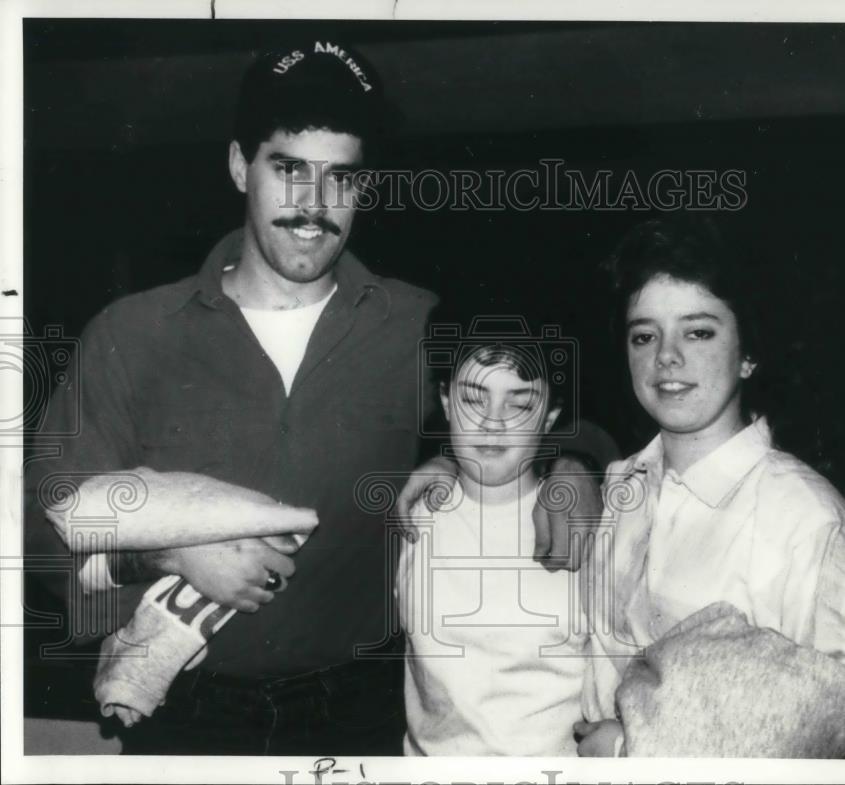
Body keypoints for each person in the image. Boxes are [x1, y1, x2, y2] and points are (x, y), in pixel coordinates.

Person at [23, 40, 604, 755]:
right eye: (290, 169)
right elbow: (36, 532)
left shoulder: (415, 325)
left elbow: (561, 411)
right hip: (191, 719)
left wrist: (574, 468)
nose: (314, 205)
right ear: (241, 166)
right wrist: (168, 557)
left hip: (362, 716)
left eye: (341, 178)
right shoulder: (133, 332)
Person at [575, 217, 845, 757]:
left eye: (698, 332)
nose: (666, 356)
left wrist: (633, 747)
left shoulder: (806, 518)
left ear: (749, 354)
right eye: (645, 335)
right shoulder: (622, 488)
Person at [397, 310, 588, 756]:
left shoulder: (580, 523)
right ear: (446, 402)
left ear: (549, 416)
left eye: (519, 403)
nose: (493, 421)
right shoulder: (414, 513)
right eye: (473, 399)